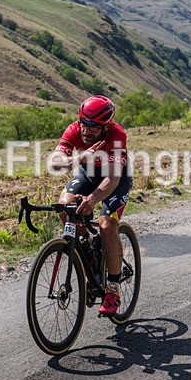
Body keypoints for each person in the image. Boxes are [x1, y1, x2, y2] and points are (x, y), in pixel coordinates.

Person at [49, 95, 132, 315]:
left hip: (116, 178)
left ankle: (112, 290)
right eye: (84, 124)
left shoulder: (117, 135)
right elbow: (55, 165)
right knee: (64, 206)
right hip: (89, 173)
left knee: (106, 225)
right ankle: (88, 246)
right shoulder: (74, 130)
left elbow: (112, 180)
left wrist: (93, 199)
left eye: (93, 127)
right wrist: (80, 157)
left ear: (106, 127)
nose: (86, 131)